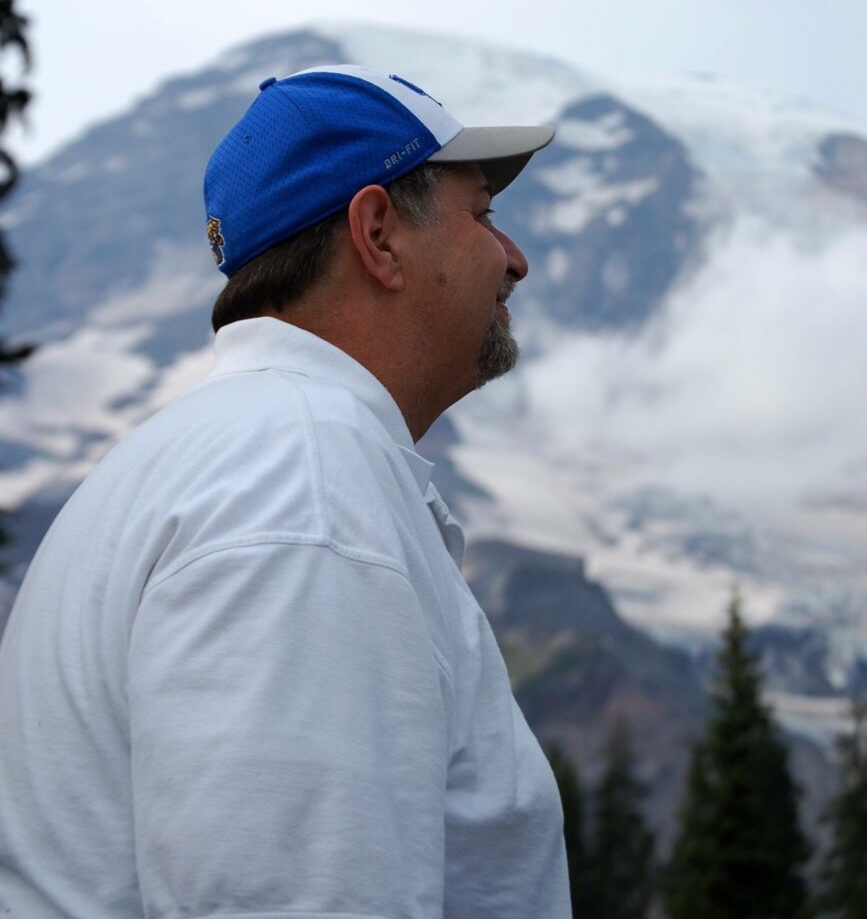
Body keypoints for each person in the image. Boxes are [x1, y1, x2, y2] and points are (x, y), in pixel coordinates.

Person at [0, 65, 570, 918]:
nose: (514, 259)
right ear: (377, 234)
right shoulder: (302, 490)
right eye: (483, 214)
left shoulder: (223, 453)